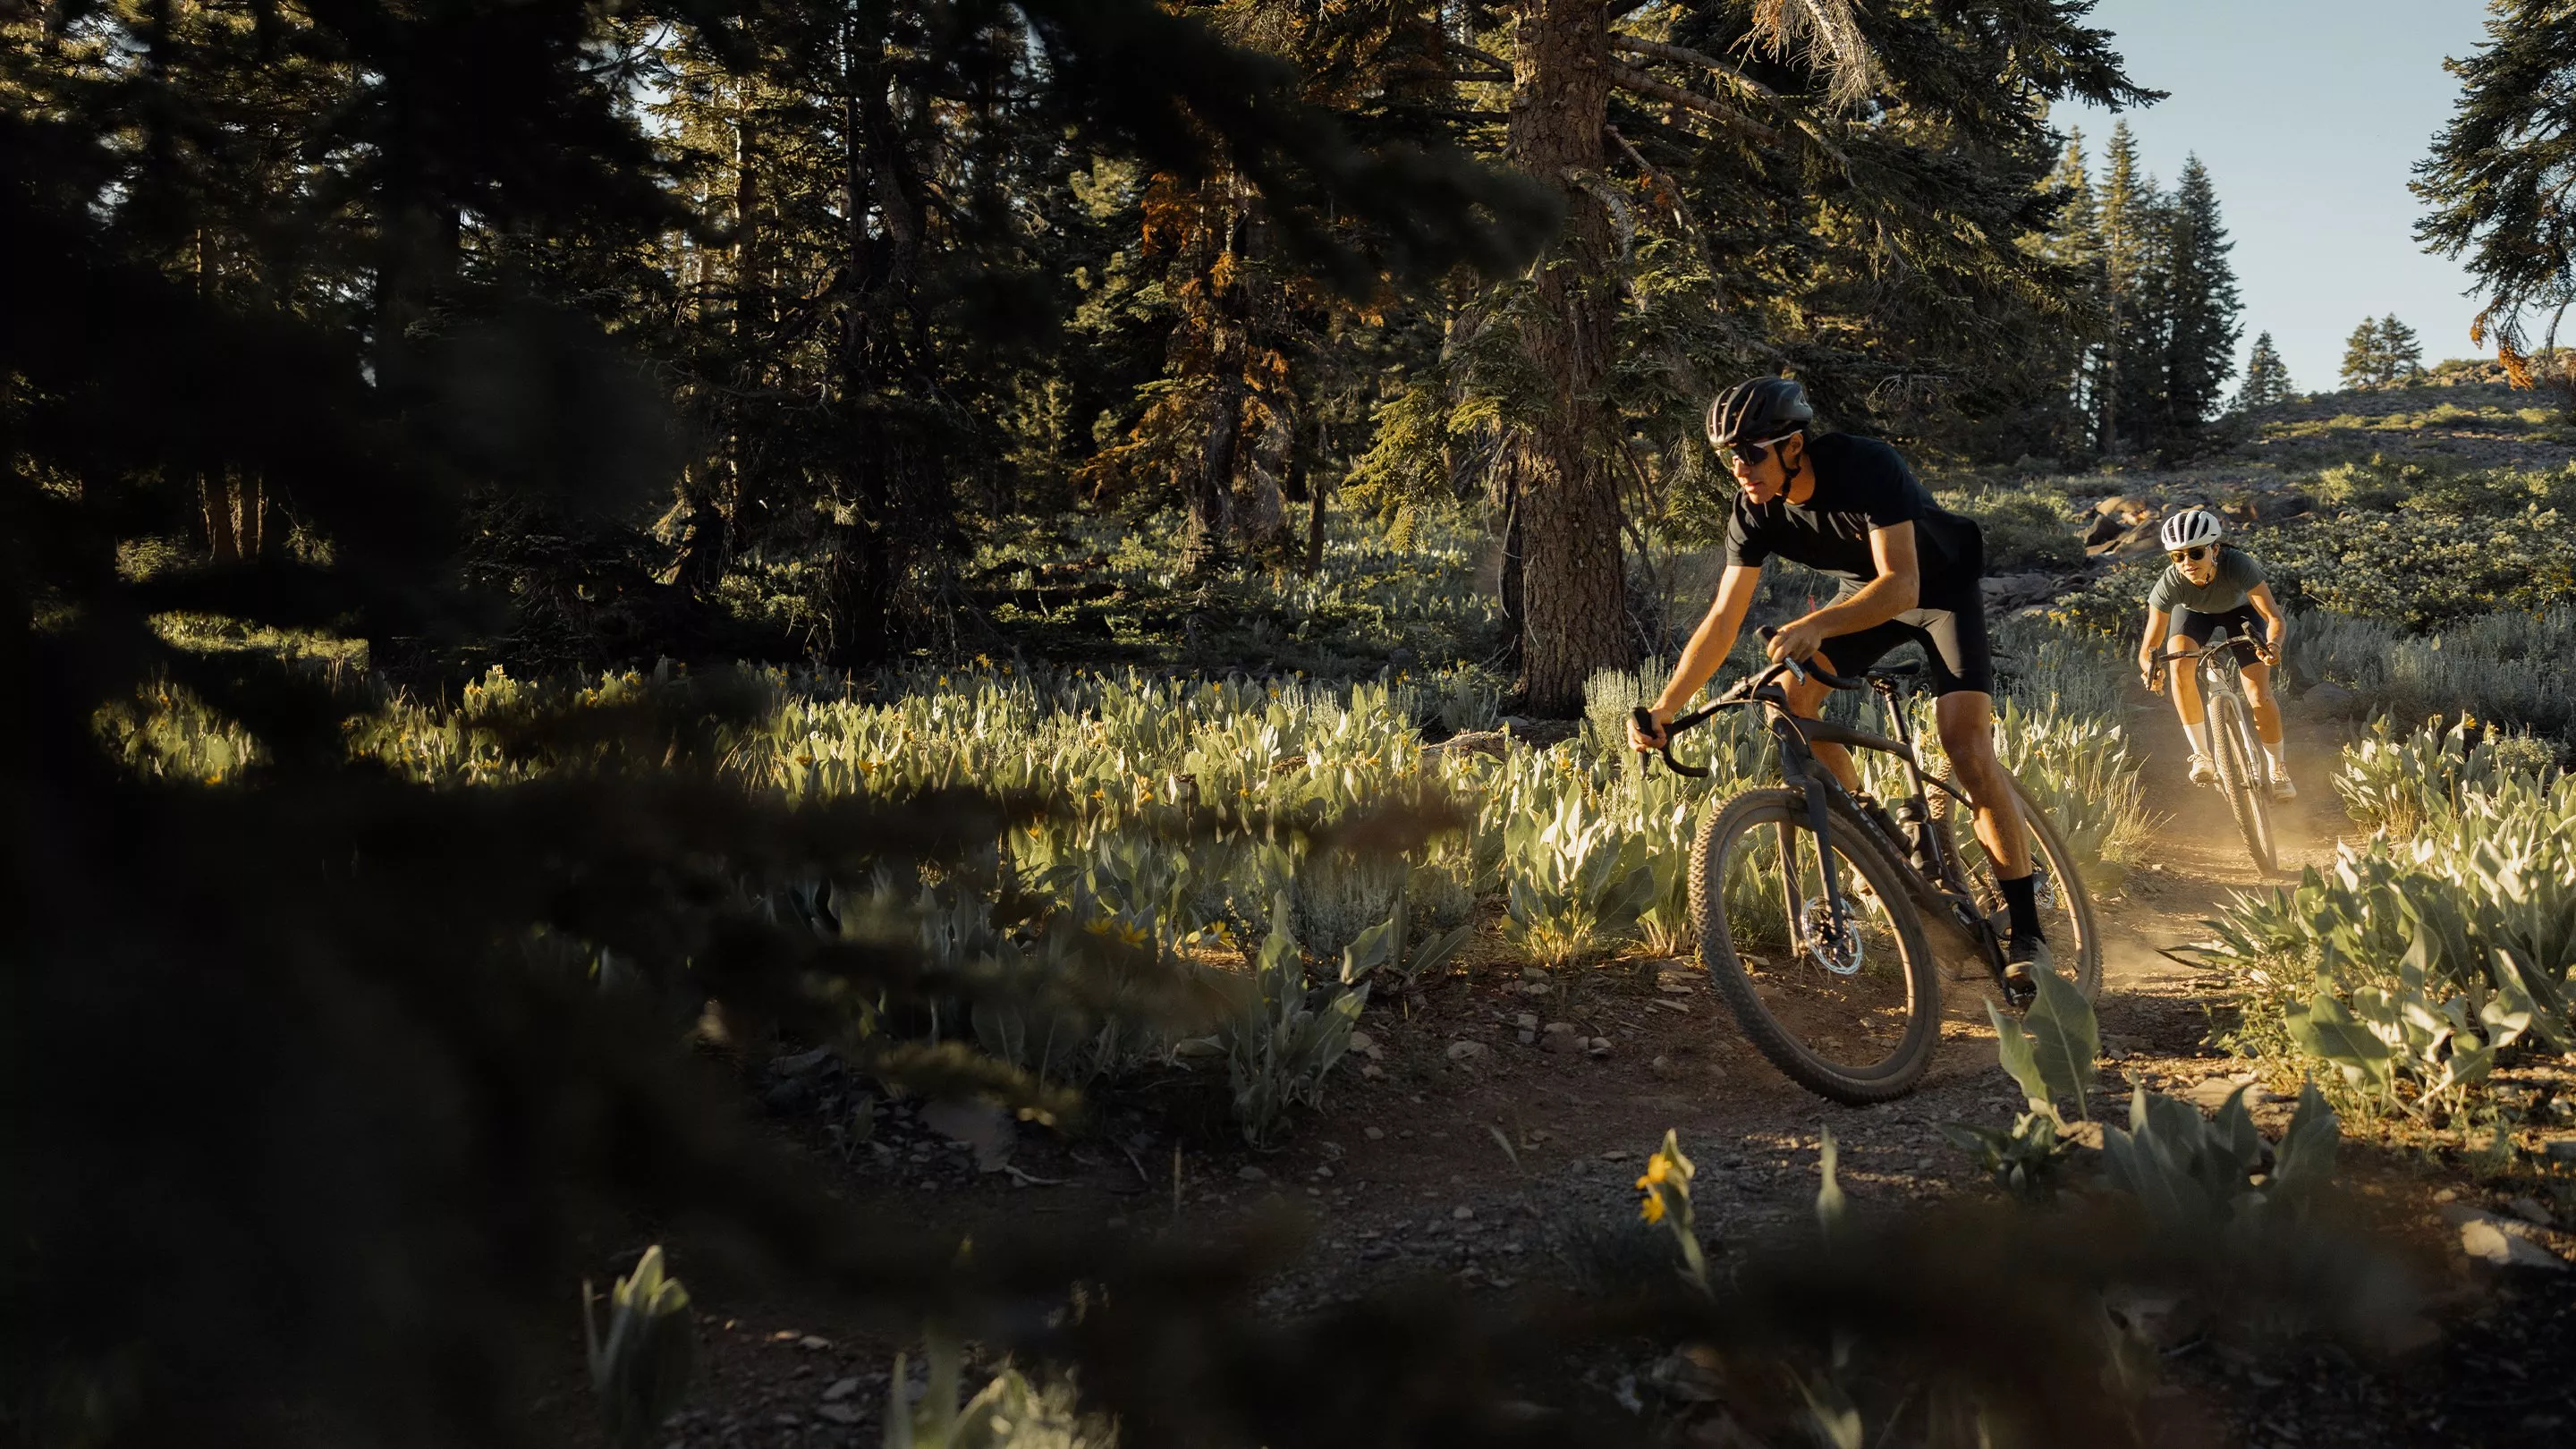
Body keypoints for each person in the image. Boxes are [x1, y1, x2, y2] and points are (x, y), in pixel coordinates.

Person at [1627, 377, 2054, 987]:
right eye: (1729, 456)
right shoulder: (1754, 508)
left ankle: (2028, 930)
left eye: (1752, 452)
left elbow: (1903, 585)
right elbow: (1724, 617)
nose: (1740, 468)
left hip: (1938, 592)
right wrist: (1666, 708)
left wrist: (1815, 624)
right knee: (1793, 702)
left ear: (1794, 445)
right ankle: (1869, 834)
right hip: (1865, 599)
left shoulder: (1864, 465)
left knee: (1964, 744)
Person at [2134, 507, 2295, 800]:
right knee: (2178, 665)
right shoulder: (2170, 583)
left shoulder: (2238, 565)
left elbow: (2274, 619)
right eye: (2177, 556)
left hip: (2242, 613)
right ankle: (2201, 755)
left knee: (2258, 694)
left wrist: (2273, 647)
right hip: (2194, 615)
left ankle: (2277, 768)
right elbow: (2149, 648)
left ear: (2214, 549)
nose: (2187, 563)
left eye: (2196, 553)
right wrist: (2150, 669)